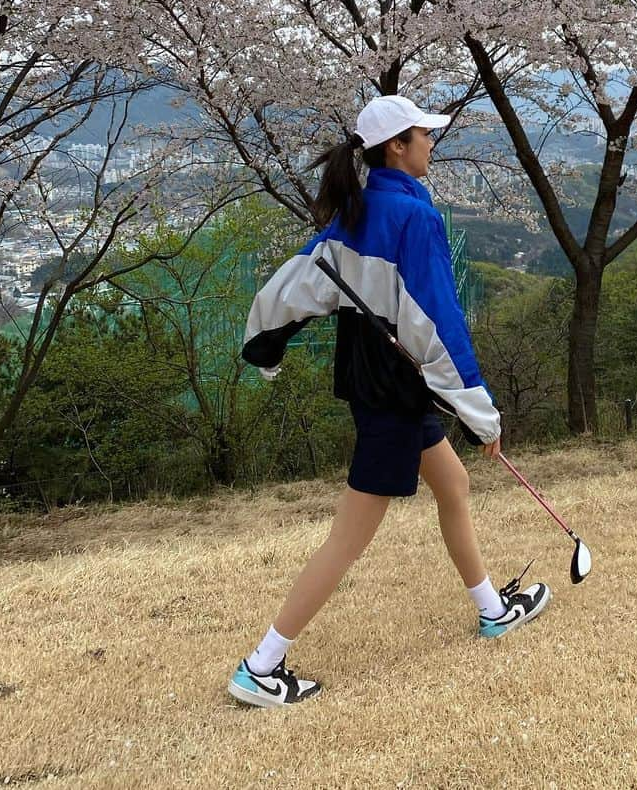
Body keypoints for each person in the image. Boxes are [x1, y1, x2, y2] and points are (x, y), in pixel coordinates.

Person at [228, 94, 550, 708]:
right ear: (396, 147)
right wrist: (482, 414)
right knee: (348, 537)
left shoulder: (356, 207)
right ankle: (261, 665)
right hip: (395, 389)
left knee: (452, 485)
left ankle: (491, 610)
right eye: (424, 135)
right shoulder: (413, 218)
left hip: (372, 378)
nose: (432, 142)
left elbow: (296, 283)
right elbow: (437, 322)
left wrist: (264, 347)